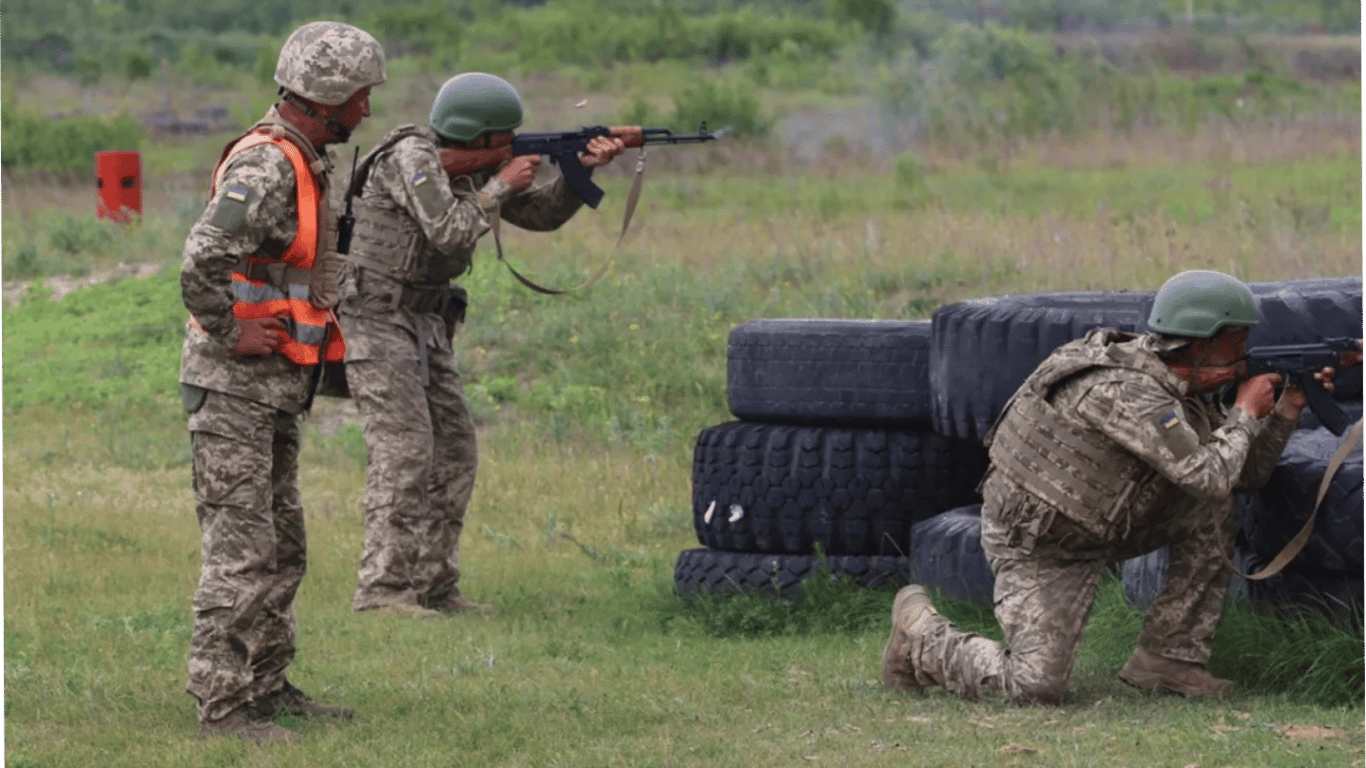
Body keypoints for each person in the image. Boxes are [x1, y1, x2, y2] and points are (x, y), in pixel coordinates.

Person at [881, 269, 1358, 706]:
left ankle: (1168, 659)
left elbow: (1241, 475)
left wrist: (1287, 410)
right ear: (1199, 345)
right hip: (1045, 545)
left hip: (1112, 520)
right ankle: (921, 636)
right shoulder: (1123, 391)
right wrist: (1245, 413)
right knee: (1035, 687)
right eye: (1235, 346)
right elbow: (1210, 476)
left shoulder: (1183, 387)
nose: (1242, 360)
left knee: (1211, 506)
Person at [335, 72, 626, 619]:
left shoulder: (472, 161)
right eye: (503, 140)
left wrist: (577, 173)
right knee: (405, 453)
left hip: (426, 317)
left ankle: (433, 586)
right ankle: (381, 591)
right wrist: (500, 185)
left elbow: (537, 216)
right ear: (476, 138)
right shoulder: (410, 158)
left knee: (455, 449)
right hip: (375, 314)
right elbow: (449, 230)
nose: (511, 147)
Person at [179, 21, 385, 742]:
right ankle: (223, 707)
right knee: (241, 554)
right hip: (235, 387)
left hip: (272, 390)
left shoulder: (304, 158)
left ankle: (267, 685)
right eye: (360, 96)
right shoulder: (267, 164)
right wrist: (233, 330)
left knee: (282, 546)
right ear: (326, 96)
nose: (366, 110)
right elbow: (201, 259)